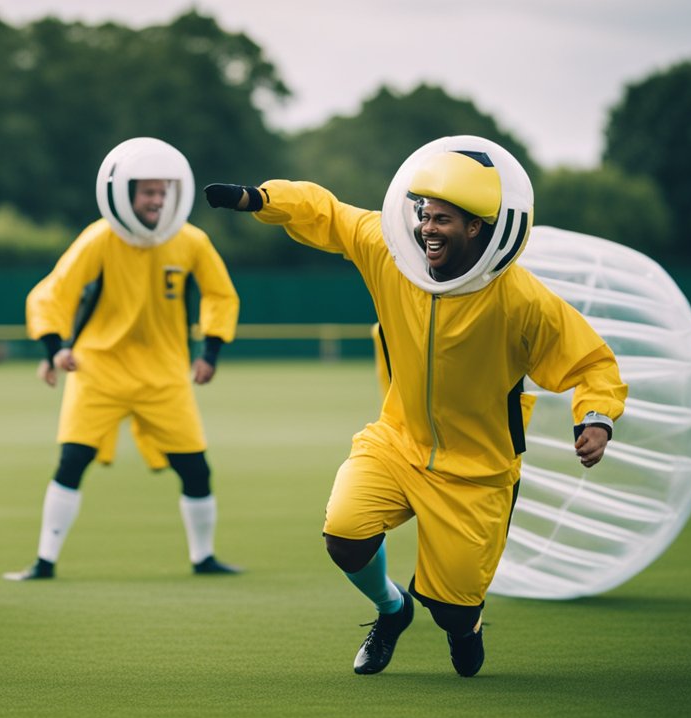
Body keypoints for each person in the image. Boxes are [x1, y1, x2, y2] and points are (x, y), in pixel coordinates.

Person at [203, 135, 627, 676]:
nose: (426, 227)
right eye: (424, 214)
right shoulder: (389, 251)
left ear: (476, 227)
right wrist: (261, 199)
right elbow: (327, 212)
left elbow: (591, 363)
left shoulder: (522, 299)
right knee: (344, 535)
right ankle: (391, 609)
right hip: (397, 441)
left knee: (453, 612)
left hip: (478, 470)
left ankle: (464, 623)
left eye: (443, 219)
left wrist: (595, 417)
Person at [4, 137, 242, 581]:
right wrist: (54, 348)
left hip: (165, 375)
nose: (156, 200)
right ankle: (44, 561)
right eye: (147, 191)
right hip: (98, 370)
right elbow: (53, 292)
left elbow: (220, 295)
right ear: (127, 194)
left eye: (161, 191)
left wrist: (210, 351)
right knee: (72, 461)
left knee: (195, 468)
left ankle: (204, 558)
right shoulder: (99, 238)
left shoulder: (191, 241)